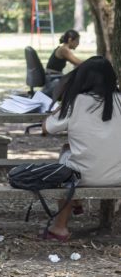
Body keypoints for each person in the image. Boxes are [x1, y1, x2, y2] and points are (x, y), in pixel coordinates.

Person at [42, 56, 121, 241]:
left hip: (83, 177)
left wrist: (58, 109)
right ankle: (75, 202)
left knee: (64, 158)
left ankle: (60, 226)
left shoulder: (77, 101)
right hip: (118, 175)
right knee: (68, 148)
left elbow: (48, 128)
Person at [44, 29, 83, 96]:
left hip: (52, 76)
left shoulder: (62, 48)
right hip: (53, 79)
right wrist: (92, 63)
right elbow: (77, 62)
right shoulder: (64, 49)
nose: (78, 44)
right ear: (70, 40)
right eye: (77, 41)